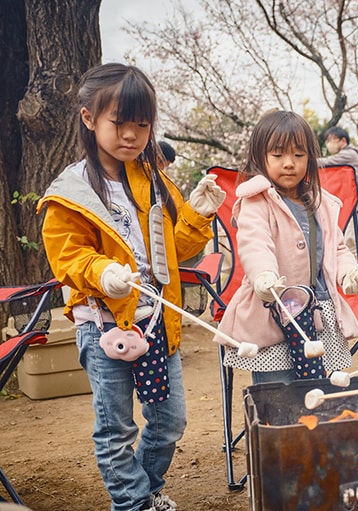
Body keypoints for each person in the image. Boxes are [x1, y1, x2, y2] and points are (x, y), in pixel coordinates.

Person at [38, 63, 224, 511]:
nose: (131, 135)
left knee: (169, 421)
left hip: (157, 320)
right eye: (119, 122)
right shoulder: (71, 192)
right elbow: (68, 255)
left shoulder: (154, 180)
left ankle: (144, 489)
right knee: (116, 428)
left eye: (142, 125)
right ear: (89, 118)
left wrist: (197, 213)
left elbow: (174, 252)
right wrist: (102, 272)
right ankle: (135, 503)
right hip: (104, 326)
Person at [215, 110, 358, 384]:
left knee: (320, 389)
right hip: (273, 314)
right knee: (278, 394)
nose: (289, 164)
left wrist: (349, 273)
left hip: (319, 312)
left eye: (299, 155)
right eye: (278, 155)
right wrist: (264, 275)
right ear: (260, 157)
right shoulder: (256, 202)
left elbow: (336, 249)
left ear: (310, 158)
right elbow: (254, 244)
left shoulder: (319, 201)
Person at [318, 126, 358, 287]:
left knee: (351, 244)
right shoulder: (354, 154)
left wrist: (300, 159)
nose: (328, 144)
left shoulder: (348, 154)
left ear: (343, 141)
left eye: (331, 140)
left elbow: (324, 163)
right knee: (355, 244)